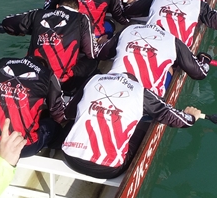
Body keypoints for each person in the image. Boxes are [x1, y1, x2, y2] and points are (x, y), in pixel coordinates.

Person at [58, 72, 201, 180]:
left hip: (69, 157)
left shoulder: (93, 80)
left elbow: (69, 113)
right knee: (148, 125)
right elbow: (179, 121)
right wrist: (191, 116)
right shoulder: (142, 92)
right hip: (107, 170)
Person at [0, 55, 67, 159]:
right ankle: (57, 153)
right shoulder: (48, 74)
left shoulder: (2, 62)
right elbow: (58, 115)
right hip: (23, 148)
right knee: (53, 126)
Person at [1, 0, 100, 91]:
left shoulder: (38, 13)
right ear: (78, 10)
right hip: (61, 81)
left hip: (33, 77)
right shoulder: (82, 18)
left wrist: (21, 32)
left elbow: (7, 22)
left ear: (57, 6)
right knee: (93, 60)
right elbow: (91, 53)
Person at [97, 22, 211, 97]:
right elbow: (199, 73)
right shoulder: (173, 41)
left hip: (114, 87)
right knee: (170, 67)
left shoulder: (127, 30)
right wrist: (204, 59)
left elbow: (103, 54)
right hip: (148, 99)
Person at [125, 0, 217, 48]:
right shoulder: (199, 4)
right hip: (176, 48)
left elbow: (129, 12)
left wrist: (136, 2)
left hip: (149, 40)